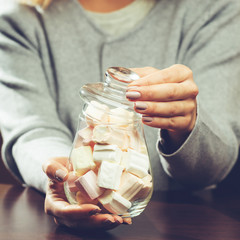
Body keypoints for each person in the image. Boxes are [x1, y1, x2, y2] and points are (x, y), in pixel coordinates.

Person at [0, 0, 240, 231]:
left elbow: (215, 163)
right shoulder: (18, 16)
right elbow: (32, 128)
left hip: (183, 226)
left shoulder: (216, 9)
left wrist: (187, 127)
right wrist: (65, 178)